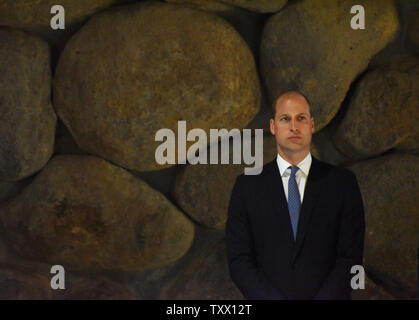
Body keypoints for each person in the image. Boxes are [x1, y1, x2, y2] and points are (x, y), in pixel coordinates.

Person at [226, 91, 365, 299]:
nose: (294, 126)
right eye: (285, 119)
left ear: (311, 125)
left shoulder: (342, 184)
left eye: (301, 118)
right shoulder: (247, 187)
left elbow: (351, 258)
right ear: (273, 126)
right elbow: (239, 261)